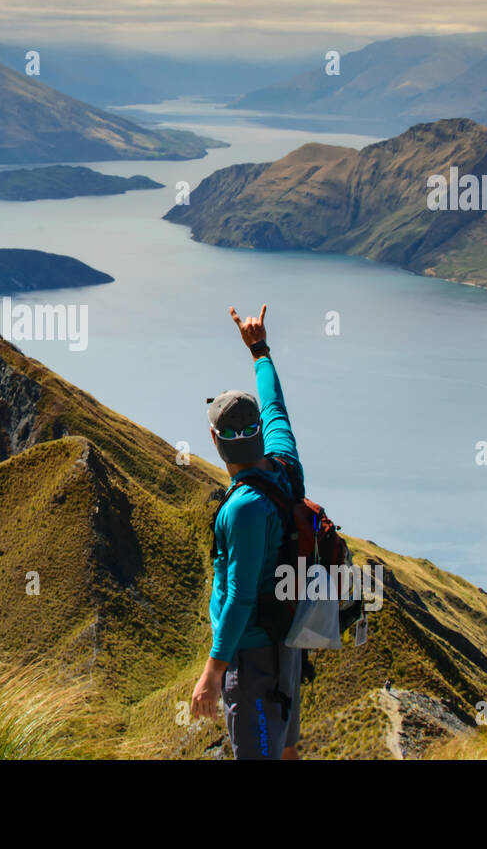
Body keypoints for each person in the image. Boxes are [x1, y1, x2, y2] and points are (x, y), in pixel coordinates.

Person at [190, 304, 304, 760]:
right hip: (287, 645)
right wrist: (259, 351)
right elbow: (275, 406)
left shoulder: (243, 509)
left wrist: (212, 672)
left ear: (216, 443)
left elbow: (238, 598)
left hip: (254, 659)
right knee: (286, 750)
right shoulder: (285, 465)